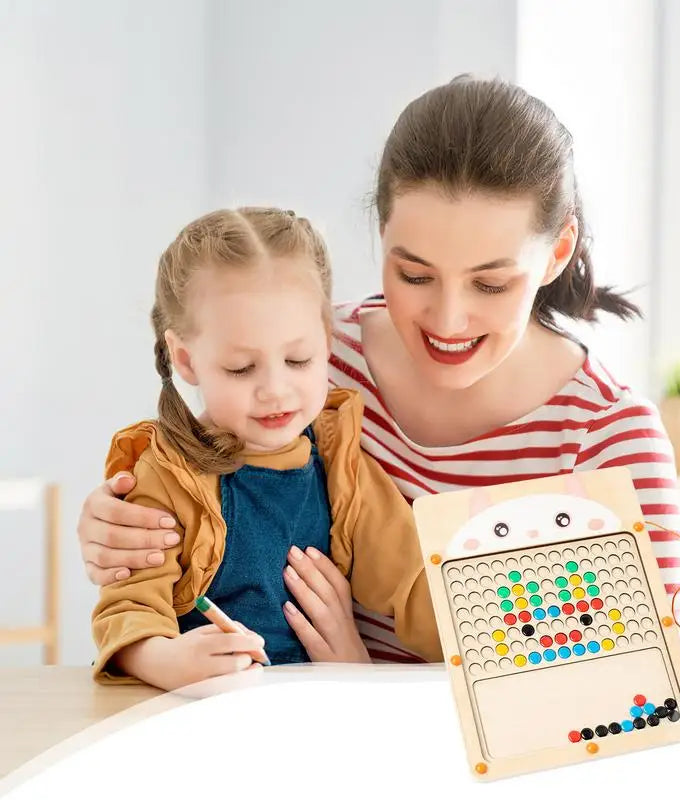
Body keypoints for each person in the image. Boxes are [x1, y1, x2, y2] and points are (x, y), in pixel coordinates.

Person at [79, 76, 680, 665]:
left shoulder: (609, 438)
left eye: (491, 283)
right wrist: (120, 529)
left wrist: (356, 677)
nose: (448, 320)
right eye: (415, 275)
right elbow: (189, 489)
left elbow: (624, 704)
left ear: (557, 252)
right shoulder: (310, 360)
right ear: (382, 234)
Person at [91, 206, 441, 690]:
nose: (275, 390)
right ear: (186, 360)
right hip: (199, 720)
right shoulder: (168, 473)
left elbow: (415, 587)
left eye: (299, 359)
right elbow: (128, 606)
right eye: (241, 368)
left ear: (327, 340)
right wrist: (165, 660)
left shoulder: (343, 467)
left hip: (314, 713)